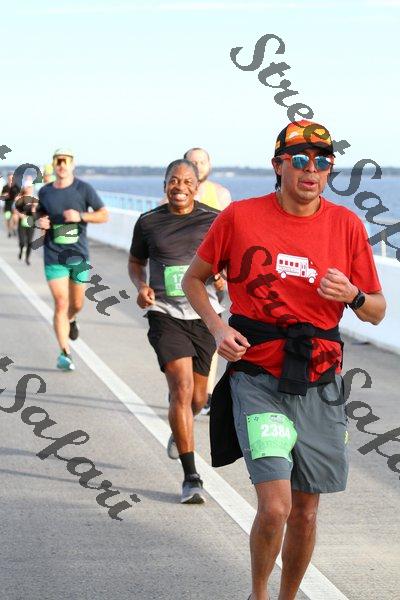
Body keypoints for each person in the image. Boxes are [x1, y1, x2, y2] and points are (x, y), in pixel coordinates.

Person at [182, 120, 386, 600]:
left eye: (322, 162)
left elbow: (377, 311)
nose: (310, 170)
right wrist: (218, 328)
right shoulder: (240, 218)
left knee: (307, 512)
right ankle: (259, 594)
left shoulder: (346, 225)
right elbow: (194, 279)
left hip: (320, 381)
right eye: (299, 160)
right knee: (276, 507)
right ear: (278, 166)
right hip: (258, 376)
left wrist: (354, 295)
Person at [128, 158, 224, 504]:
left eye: (186, 181)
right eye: (173, 180)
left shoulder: (214, 220)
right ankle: (191, 476)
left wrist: (222, 276)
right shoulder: (148, 222)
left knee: (197, 399)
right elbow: (136, 262)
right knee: (181, 388)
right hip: (165, 313)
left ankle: (179, 427)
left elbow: (229, 259)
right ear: (164, 184)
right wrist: (141, 286)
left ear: (197, 187)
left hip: (204, 315)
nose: (179, 187)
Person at [36, 148, 108, 371]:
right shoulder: (45, 191)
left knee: (76, 304)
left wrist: (81, 216)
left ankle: (72, 319)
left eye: (65, 161)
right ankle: (64, 353)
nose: (61, 165)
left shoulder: (83, 189)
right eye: (58, 161)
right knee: (61, 302)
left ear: (72, 164)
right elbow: (39, 214)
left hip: (78, 255)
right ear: (53, 164)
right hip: (53, 254)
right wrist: (40, 222)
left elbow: (103, 214)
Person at [184, 147, 232, 414]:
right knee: (184, 332)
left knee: (212, 332)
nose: (197, 165)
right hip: (183, 275)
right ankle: (183, 381)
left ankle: (206, 392)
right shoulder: (177, 193)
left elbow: (230, 238)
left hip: (213, 275)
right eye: (192, 161)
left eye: (202, 161)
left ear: (209, 165)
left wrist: (223, 273)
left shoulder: (221, 195)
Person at [15, 183, 38, 265]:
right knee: (22, 241)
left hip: (31, 222)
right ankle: (21, 250)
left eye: (31, 187)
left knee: (29, 242)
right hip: (21, 222)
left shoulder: (34, 199)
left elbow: (37, 213)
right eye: (28, 187)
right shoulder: (20, 198)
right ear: (25, 188)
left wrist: (34, 208)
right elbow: (16, 210)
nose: (29, 189)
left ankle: (27, 258)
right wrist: (20, 214)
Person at [1, 172, 20, 237]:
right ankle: (9, 231)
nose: (10, 179)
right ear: (7, 178)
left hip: (15, 206)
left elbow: (20, 196)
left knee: (15, 219)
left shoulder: (16, 186)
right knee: (8, 219)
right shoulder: (5, 187)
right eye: (9, 178)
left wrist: (17, 198)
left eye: (11, 178)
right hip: (7, 206)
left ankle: (14, 228)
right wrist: (5, 195)